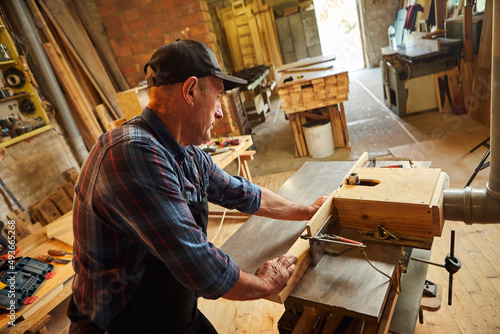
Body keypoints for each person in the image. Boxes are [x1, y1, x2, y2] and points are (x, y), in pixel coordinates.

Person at [68, 39, 327, 333]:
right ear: (190, 91)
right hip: (121, 323)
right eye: (218, 97)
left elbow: (243, 193)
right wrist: (267, 283)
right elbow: (199, 265)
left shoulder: (185, 152)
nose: (220, 112)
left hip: (169, 313)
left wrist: (307, 211)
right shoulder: (132, 153)